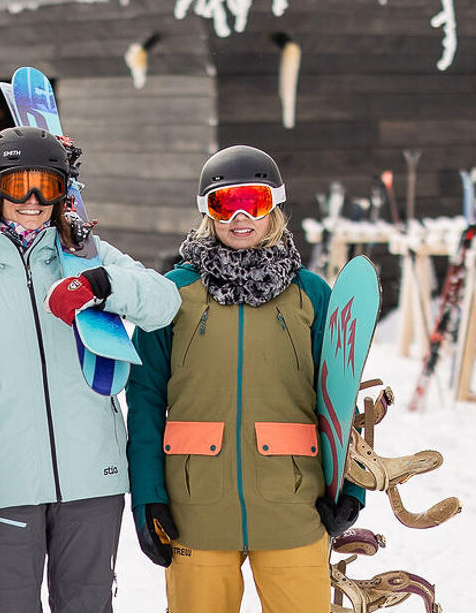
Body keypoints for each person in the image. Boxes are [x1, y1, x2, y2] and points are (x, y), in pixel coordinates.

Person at [0, 126, 180, 613]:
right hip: (3, 481)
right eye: (20, 186)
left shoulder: (86, 256)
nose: (35, 200)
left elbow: (164, 303)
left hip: (93, 478)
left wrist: (101, 284)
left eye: (50, 186)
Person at [125, 145, 369, 613]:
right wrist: (148, 498)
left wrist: (351, 492)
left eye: (253, 202)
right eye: (223, 203)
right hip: (194, 510)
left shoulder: (312, 294)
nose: (240, 216)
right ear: (206, 213)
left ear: (274, 206)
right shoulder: (172, 295)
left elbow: (341, 399)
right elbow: (145, 398)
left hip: (296, 507)